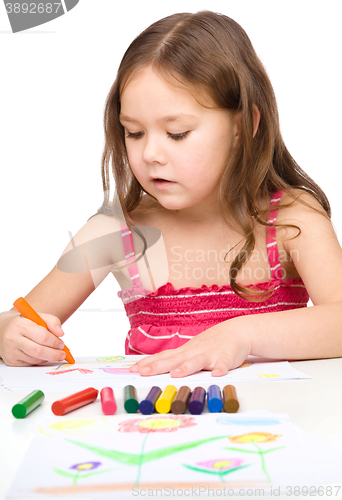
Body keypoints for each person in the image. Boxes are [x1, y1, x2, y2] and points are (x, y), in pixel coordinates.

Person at [1, 11, 342, 376]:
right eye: (134, 133)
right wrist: (9, 334)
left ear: (244, 126)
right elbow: (20, 319)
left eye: (177, 133)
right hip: (155, 429)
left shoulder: (293, 219)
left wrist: (242, 334)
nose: (150, 155)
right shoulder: (115, 234)